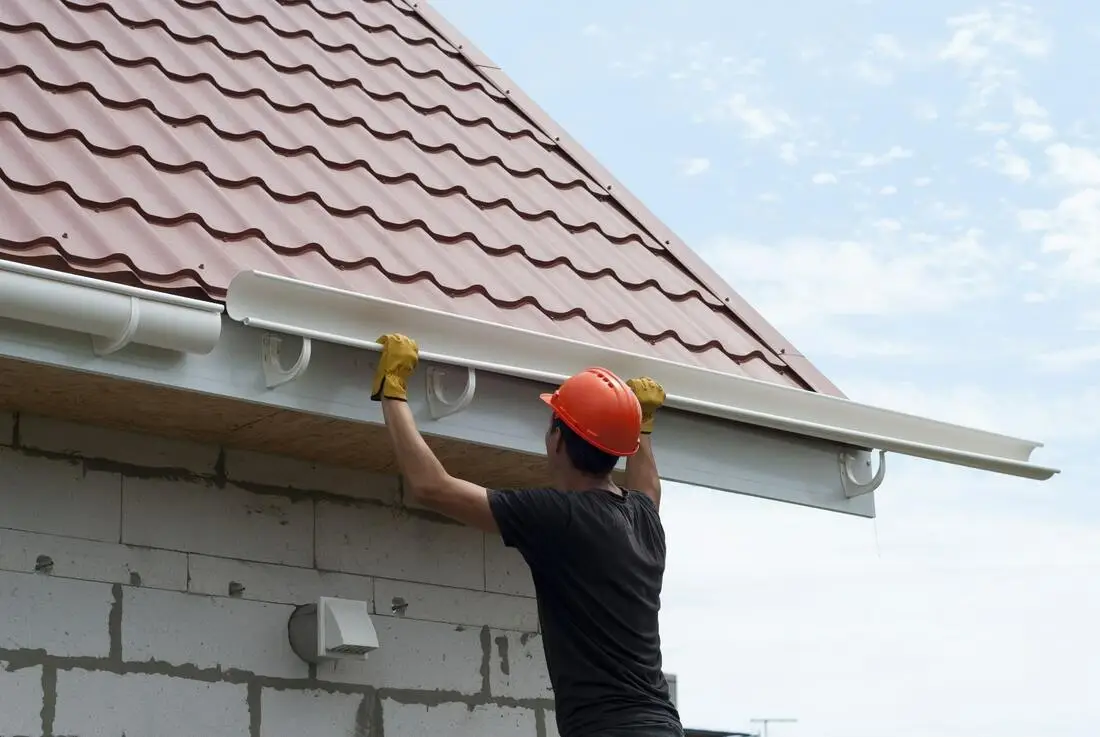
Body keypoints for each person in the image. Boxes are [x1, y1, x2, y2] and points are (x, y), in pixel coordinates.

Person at [372, 333, 683, 737]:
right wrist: (642, 426)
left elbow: (433, 487)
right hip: (661, 725)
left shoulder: (562, 517)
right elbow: (649, 486)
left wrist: (393, 390)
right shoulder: (643, 517)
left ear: (557, 440)